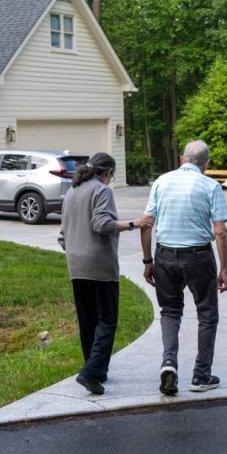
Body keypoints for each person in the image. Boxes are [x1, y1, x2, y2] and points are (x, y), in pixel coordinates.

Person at [140, 140, 227, 396]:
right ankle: (201, 376)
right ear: (206, 164)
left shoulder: (161, 182)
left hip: (165, 255)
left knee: (169, 311)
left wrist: (148, 261)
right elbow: (221, 231)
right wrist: (224, 269)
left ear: (182, 159)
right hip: (198, 257)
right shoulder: (210, 185)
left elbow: (147, 223)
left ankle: (168, 364)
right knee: (207, 314)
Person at [58, 152, 150, 395]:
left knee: (87, 320)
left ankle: (94, 370)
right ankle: (90, 372)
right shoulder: (102, 190)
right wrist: (133, 224)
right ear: (108, 172)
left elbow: (62, 235)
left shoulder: (72, 191)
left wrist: (76, 249)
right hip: (100, 265)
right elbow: (101, 224)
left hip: (75, 266)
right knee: (107, 319)